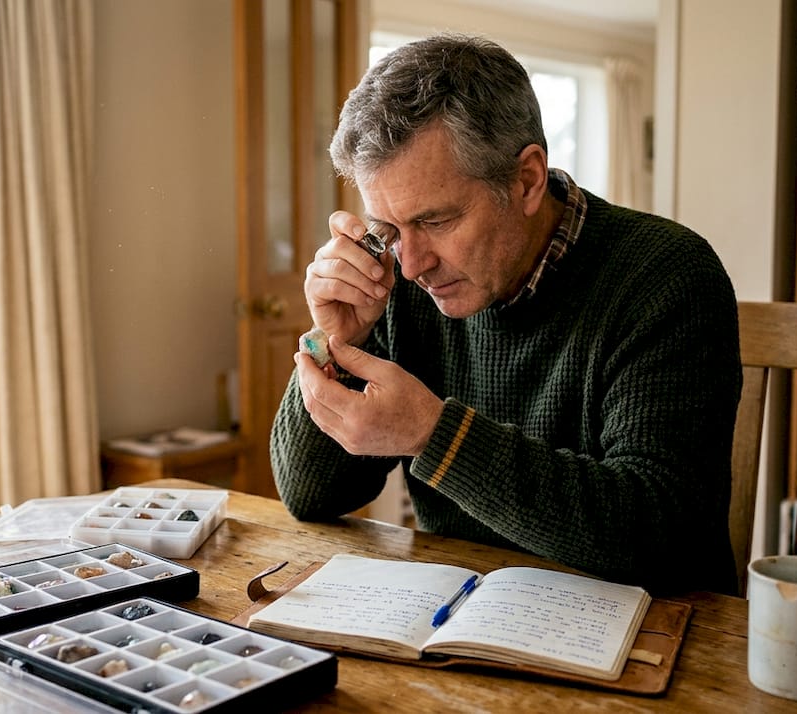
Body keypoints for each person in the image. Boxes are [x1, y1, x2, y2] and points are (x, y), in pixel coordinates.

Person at [269, 34, 742, 596]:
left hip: (657, 640)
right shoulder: (396, 279)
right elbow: (310, 496)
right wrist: (339, 341)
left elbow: (660, 534)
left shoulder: (667, 275)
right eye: (388, 230)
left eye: (437, 221)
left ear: (527, 181)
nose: (413, 263)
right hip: (462, 622)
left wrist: (433, 434)